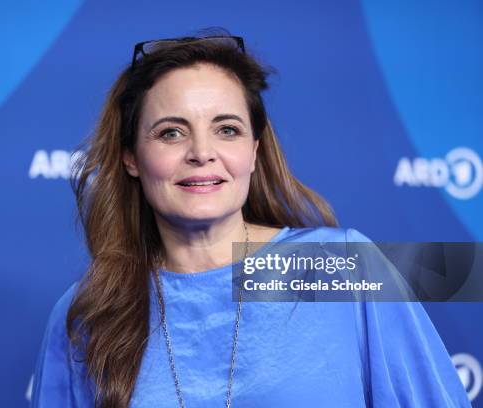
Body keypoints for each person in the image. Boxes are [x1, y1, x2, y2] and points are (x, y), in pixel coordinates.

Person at [31, 32, 470, 407]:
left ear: (254, 150)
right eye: (171, 132)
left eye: (227, 129)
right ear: (131, 157)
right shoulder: (87, 311)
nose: (201, 152)